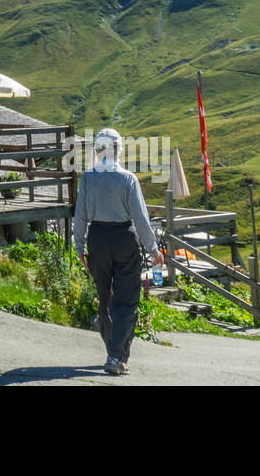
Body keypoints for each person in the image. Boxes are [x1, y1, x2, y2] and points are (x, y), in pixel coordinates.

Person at [72, 127, 161, 375]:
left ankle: (113, 349)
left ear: (99, 150)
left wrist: (79, 247)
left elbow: (80, 216)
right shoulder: (128, 179)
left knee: (105, 297)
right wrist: (153, 250)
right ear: (118, 149)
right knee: (126, 300)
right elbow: (140, 219)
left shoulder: (88, 178)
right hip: (124, 238)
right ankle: (116, 356)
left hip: (97, 238)